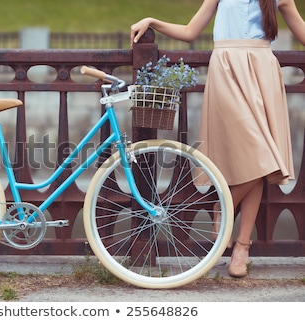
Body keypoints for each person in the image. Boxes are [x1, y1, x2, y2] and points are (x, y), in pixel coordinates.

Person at [131, 0, 305, 278]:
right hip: (226, 71)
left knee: (263, 158)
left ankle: (240, 242)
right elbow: (190, 31)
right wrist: (152, 21)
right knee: (262, 153)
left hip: (263, 73)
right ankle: (225, 207)